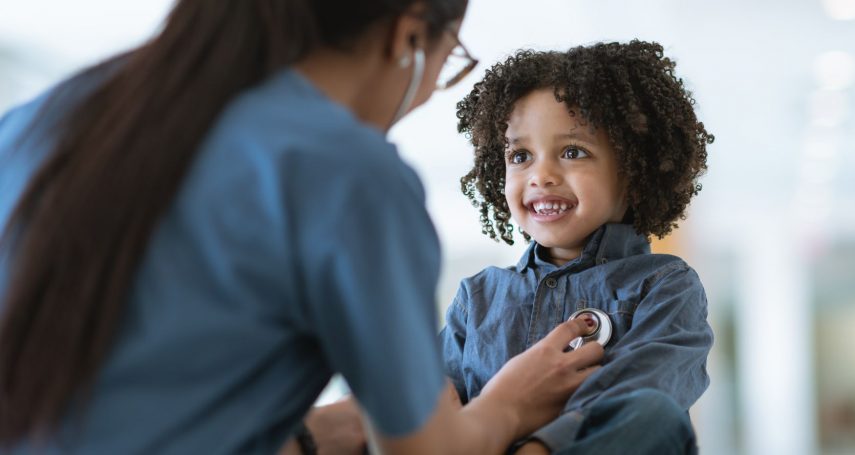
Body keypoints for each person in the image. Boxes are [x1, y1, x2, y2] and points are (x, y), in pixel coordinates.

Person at [0, 1, 604, 453]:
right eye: (449, 64)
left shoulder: (44, 119)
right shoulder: (349, 173)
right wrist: (508, 405)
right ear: (410, 34)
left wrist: (315, 434)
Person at [441, 40, 716, 454]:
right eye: (520, 156)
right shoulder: (476, 299)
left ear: (635, 171)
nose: (541, 175)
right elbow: (434, 412)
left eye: (572, 152)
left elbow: (644, 401)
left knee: (655, 413)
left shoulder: (666, 287)